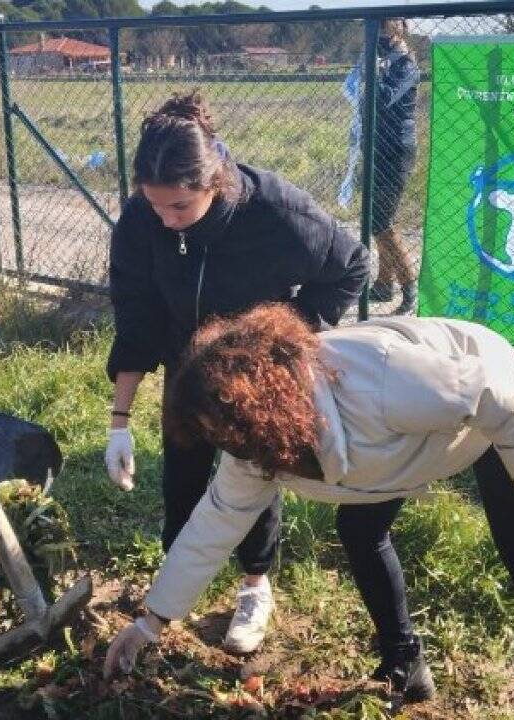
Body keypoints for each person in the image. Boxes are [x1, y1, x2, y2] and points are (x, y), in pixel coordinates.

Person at [103, 305, 514, 718]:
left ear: (259, 407)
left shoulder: (376, 379)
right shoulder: (253, 444)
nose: (226, 446)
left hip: (486, 407)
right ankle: (406, 664)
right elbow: (214, 525)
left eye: (228, 430)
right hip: (398, 450)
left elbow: (497, 399)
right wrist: (151, 623)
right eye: (216, 435)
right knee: (359, 529)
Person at [104, 92, 370, 655]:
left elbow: (352, 265)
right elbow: (136, 314)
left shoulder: (277, 215)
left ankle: (255, 583)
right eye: (154, 206)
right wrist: (119, 420)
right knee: (182, 474)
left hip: (254, 372)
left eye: (178, 207)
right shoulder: (141, 219)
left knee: (252, 471)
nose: (163, 218)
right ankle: (174, 589)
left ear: (212, 183)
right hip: (186, 365)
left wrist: (285, 336)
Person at [365, 18, 421, 316]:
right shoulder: (385, 63)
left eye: (386, 29)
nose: (381, 35)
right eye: (378, 29)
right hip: (377, 145)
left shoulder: (406, 66)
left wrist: (373, 71)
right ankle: (383, 284)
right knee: (376, 219)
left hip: (398, 149)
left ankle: (410, 287)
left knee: (382, 221)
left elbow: (384, 98)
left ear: (400, 30)